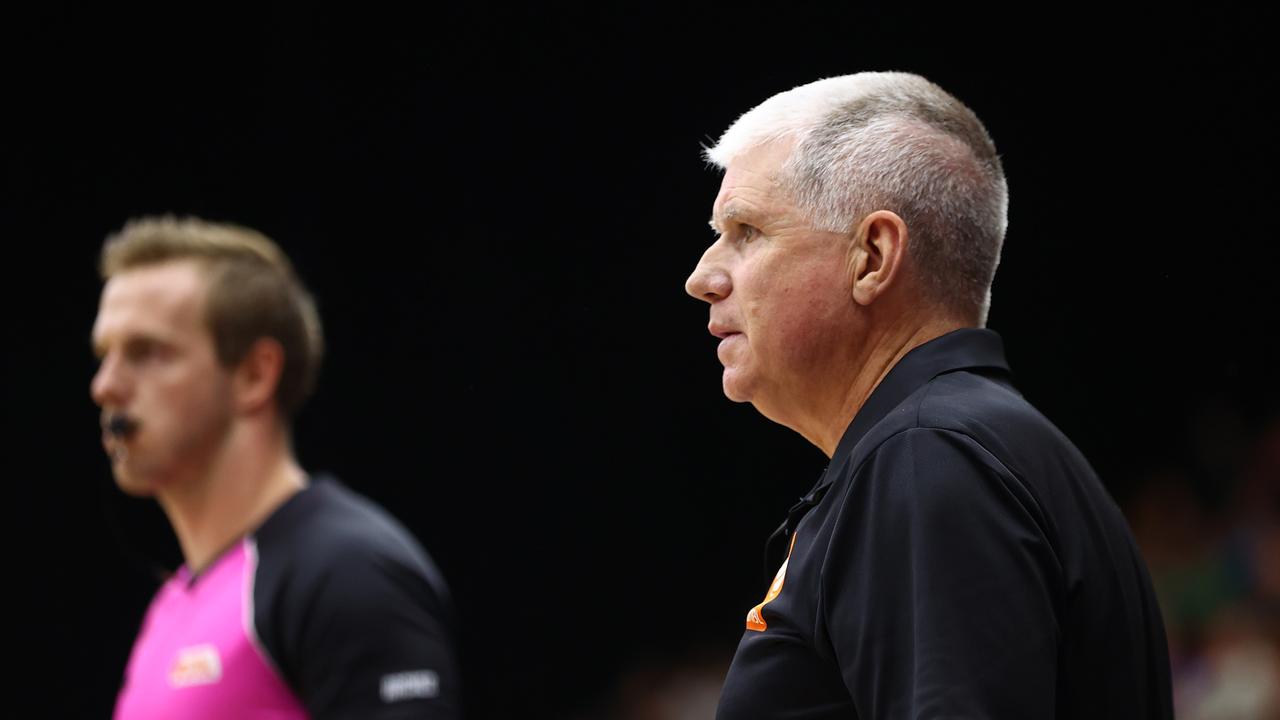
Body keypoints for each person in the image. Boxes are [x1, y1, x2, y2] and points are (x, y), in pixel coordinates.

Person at [684, 72, 1173, 719]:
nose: (702, 277)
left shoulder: (929, 456)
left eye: (746, 231)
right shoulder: (963, 445)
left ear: (872, 257)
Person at [91, 216, 460, 719]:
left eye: (147, 353)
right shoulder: (173, 606)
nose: (105, 387)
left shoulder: (346, 572)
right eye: (105, 355)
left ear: (255, 375)